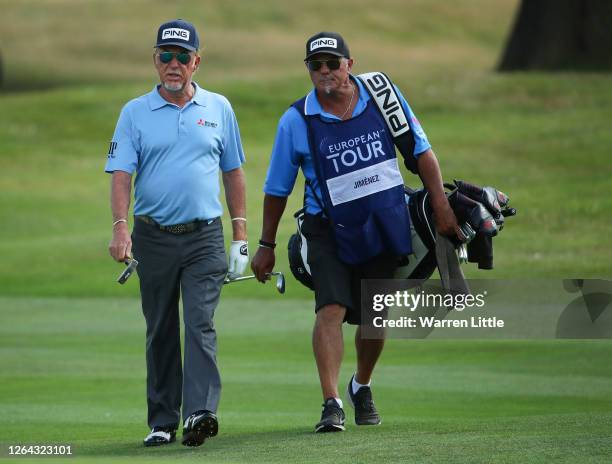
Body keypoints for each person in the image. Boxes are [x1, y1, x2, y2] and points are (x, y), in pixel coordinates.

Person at [251, 32, 460, 433]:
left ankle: (360, 385)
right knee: (331, 308)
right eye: (316, 65)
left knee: (375, 315)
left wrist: (442, 207)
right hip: (326, 229)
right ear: (309, 70)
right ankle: (331, 404)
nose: (325, 71)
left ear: (351, 63)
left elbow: (420, 151)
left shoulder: (382, 95)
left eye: (333, 62)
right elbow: (277, 190)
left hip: (384, 220)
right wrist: (265, 244)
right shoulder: (296, 120)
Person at [105, 19, 248, 447]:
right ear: (154, 60)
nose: (173, 63)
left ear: (196, 62)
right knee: (161, 327)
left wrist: (240, 233)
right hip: (153, 236)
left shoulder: (219, 108)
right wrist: (120, 227)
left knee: (200, 322)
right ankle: (163, 421)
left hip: (205, 235)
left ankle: (200, 412)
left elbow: (234, 172)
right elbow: (121, 174)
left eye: (182, 56)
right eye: (165, 55)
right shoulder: (134, 112)